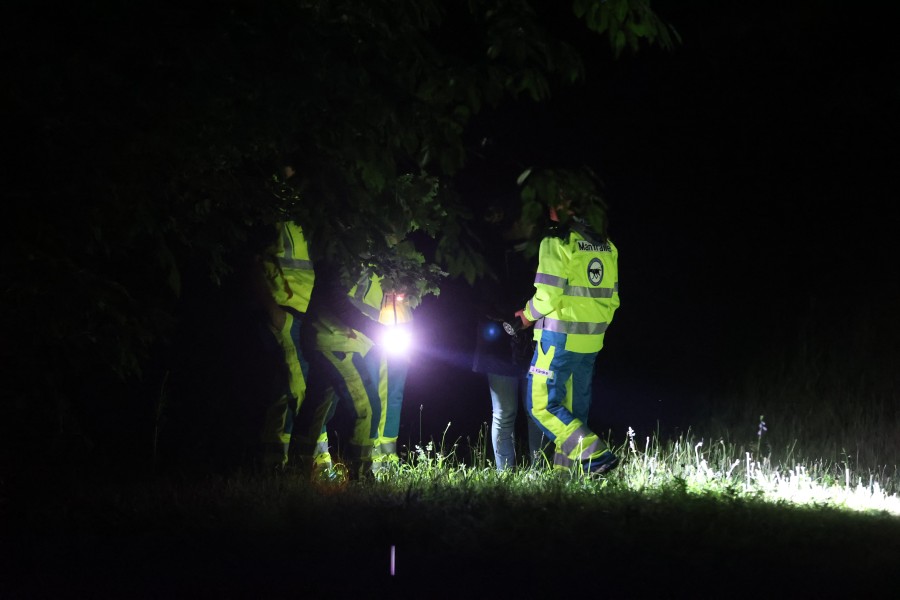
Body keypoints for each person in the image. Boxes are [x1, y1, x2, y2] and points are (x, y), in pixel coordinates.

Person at [515, 201, 621, 476]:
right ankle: (567, 478)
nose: (549, 207)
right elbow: (614, 299)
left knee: (541, 405)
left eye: (554, 201)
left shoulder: (557, 240)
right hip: (591, 342)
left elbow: (548, 296)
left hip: (557, 339)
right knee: (573, 413)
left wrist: (526, 316)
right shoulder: (607, 246)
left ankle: (596, 455)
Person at [288, 251, 388, 481]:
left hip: (330, 338)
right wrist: (374, 329)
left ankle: (295, 471)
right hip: (334, 340)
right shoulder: (346, 249)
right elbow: (335, 295)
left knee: (316, 407)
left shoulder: (365, 250)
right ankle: (362, 475)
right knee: (368, 405)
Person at [472, 204, 547, 471]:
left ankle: (540, 472)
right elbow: (483, 298)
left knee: (536, 411)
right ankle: (505, 475)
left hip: (534, 341)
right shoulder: (490, 254)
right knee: (504, 413)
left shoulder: (543, 252)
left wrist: (527, 318)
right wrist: (515, 316)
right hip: (499, 345)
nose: (526, 224)